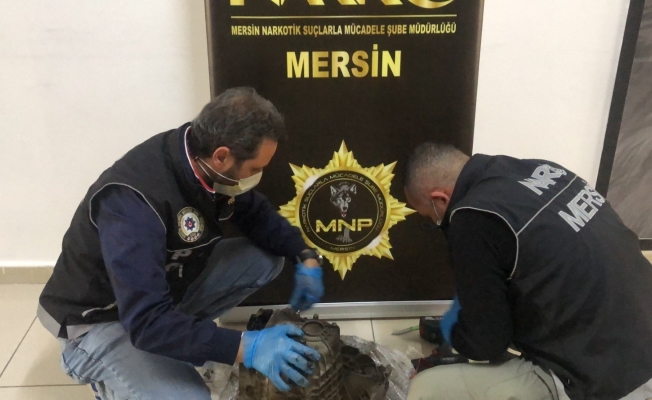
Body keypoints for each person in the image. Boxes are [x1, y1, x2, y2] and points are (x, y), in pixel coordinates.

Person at [38, 87, 326, 400]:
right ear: (222, 156)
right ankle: (115, 377)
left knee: (263, 258)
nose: (258, 175)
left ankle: (175, 343)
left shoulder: (204, 160)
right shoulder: (133, 205)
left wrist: (305, 255)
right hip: (99, 321)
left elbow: (256, 214)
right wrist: (247, 347)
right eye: (255, 169)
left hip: (157, 291)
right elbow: (146, 323)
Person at [402, 143, 652, 400]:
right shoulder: (544, 170)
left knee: (426, 388)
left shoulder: (472, 217)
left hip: (609, 380)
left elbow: (486, 343)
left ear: (440, 199)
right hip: (640, 328)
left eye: (431, 217)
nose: (436, 222)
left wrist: (454, 335)